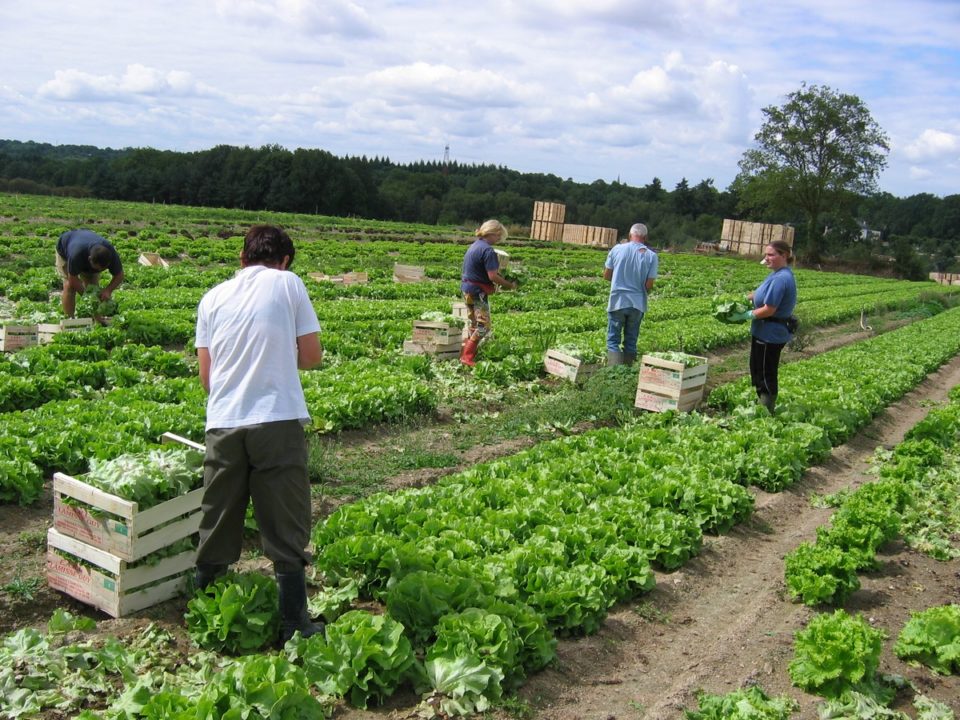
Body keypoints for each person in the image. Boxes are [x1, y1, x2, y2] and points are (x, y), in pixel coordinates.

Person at [194, 224, 325, 645]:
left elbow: (206, 377)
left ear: (242, 258)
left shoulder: (212, 297)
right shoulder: (288, 284)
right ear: (284, 260)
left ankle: (205, 608)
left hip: (223, 420)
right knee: (284, 517)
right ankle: (294, 623)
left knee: (218, 511)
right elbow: (311, 357)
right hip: (276, 418)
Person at [730, 240, 798, 414]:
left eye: (771, 255)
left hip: (770, 334)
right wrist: (741, 300)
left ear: (784, 256)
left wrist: (747, 315)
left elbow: (770, 309)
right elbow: (758, 294)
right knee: (757, 369)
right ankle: (761, 405)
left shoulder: (782, 278)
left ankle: (767, 409)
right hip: (763, 332)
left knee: (765, 373)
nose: (766, 258)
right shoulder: (776, 274)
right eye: (766, 254)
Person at [459, 219, 517, 366]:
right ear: (493, 233)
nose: (498, 240)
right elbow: (493, 276)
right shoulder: (487, 250)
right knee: (484, 326)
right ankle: (467, 356)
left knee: (474, 322)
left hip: (467, 290)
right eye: (498, 236)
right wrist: (509, 285)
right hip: (478, 292)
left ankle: (467, 352)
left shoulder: (474, 246)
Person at [603, 223, 658, 366]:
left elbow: (607, 275)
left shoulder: (617, 249)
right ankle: (628, 371)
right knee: (631, 341)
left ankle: (613, 374)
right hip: (637, 303)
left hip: (617, 301)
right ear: (645, 237)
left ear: (629, 235)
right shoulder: (651, 256)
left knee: (613, 340)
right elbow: (649, 285)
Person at [56, 229, 124, 318]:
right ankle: (70, 319)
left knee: (94, 290)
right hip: (65, 248)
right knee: (69, 286)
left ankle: (96, 320)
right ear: (89, 260)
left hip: (84, 244)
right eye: (97, 268)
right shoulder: (76, 255)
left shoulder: (110, 253)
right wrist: (87, 296)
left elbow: (119, 275)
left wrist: (108, 290)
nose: (100, 270)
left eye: (103, 269)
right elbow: (73, 280)